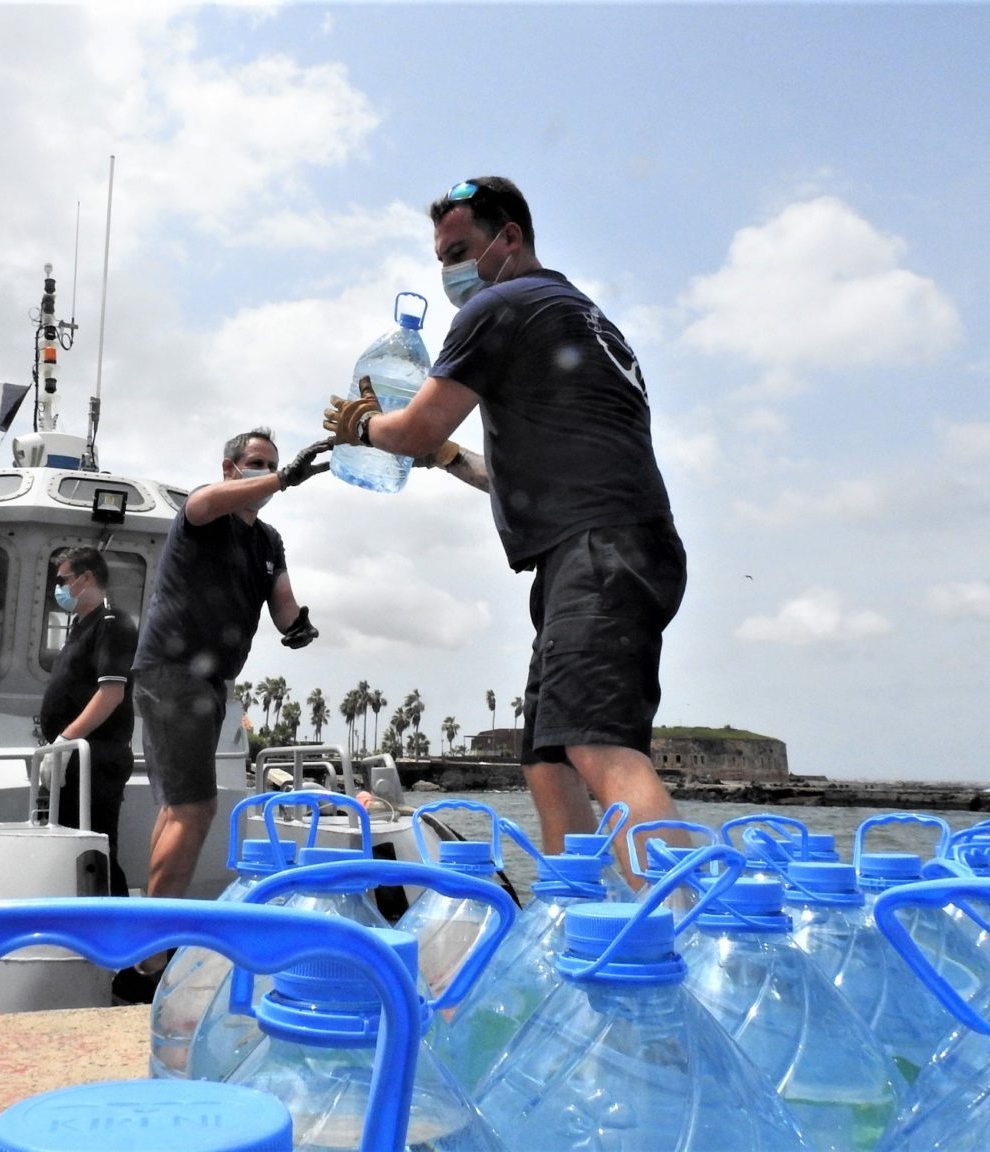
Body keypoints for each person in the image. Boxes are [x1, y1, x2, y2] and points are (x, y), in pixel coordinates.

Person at [324, 176, 687, 882]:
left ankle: (703, 933)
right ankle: (571, 919)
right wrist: (451, 457)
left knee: (598, 745)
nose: (450, 270)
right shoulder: (581, 316)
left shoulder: (500, 304)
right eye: (440, 257)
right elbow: (525, 466)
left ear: (510, 237)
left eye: (459, 249)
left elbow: (414, 424)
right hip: (599, 546)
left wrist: (363, 423)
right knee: (548, 761)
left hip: (602, 549)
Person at [121, 429, 330, 998]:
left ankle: (146, 950)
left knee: (177, 807)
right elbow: (203, 501)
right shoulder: (202, 513)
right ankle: (150, 955)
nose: (265, 472)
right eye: (255, 464)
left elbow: (284, 604)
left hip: (213, 681)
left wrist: (298, 627)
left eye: (272, 465)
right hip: (174, 671)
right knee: (194, 807)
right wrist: (286, 479)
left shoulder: (269, 541)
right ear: (230, 468)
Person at [35, 546, 138, 897]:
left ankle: (122, 937)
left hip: (94, 758)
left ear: (87, 577)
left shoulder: (112, 624)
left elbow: (111, 693)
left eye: (63, 579)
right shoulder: (80, 627)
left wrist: (65, 741)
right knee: (72, 850)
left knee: (95, 853)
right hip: (72, 759)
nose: (58, 587)